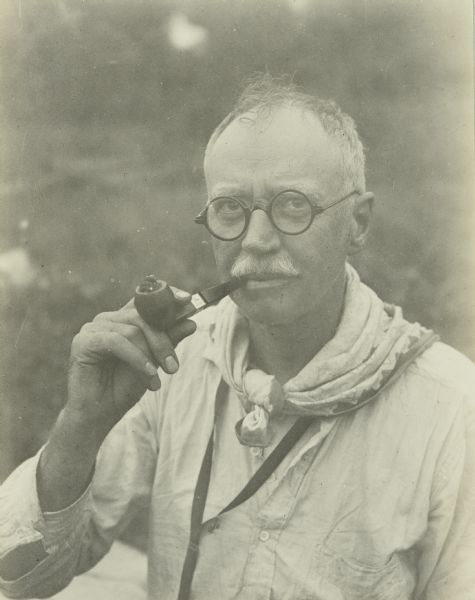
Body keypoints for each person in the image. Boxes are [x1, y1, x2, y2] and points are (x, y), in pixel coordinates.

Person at [0, 74, 474, 600]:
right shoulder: (176, 357)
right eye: (230, 209)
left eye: (294, 206)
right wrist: (80, 426)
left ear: (358, 223)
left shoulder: (453, 408)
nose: (256, 240)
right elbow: (24, 578)